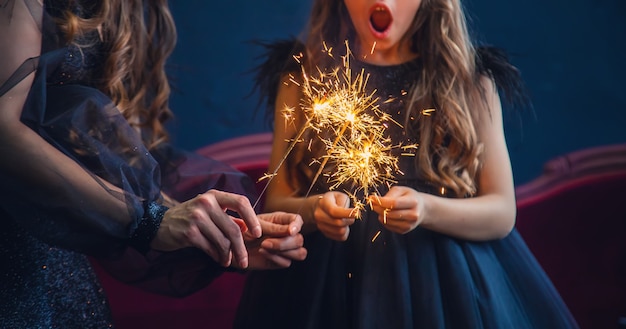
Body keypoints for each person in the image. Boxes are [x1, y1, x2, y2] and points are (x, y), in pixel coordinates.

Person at [235, 0, 578, 328]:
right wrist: (315, 210)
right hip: (323, 291)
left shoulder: (470, 82)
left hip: (447, 291)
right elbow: (278, 204)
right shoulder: (303, 76)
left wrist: (426, 209)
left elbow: (502, 213)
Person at [0, 0, 306, 328]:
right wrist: (149, 220)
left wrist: (219, 232)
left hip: (58, 261)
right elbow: (4, 131)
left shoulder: (129, 9)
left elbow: (98, 157)